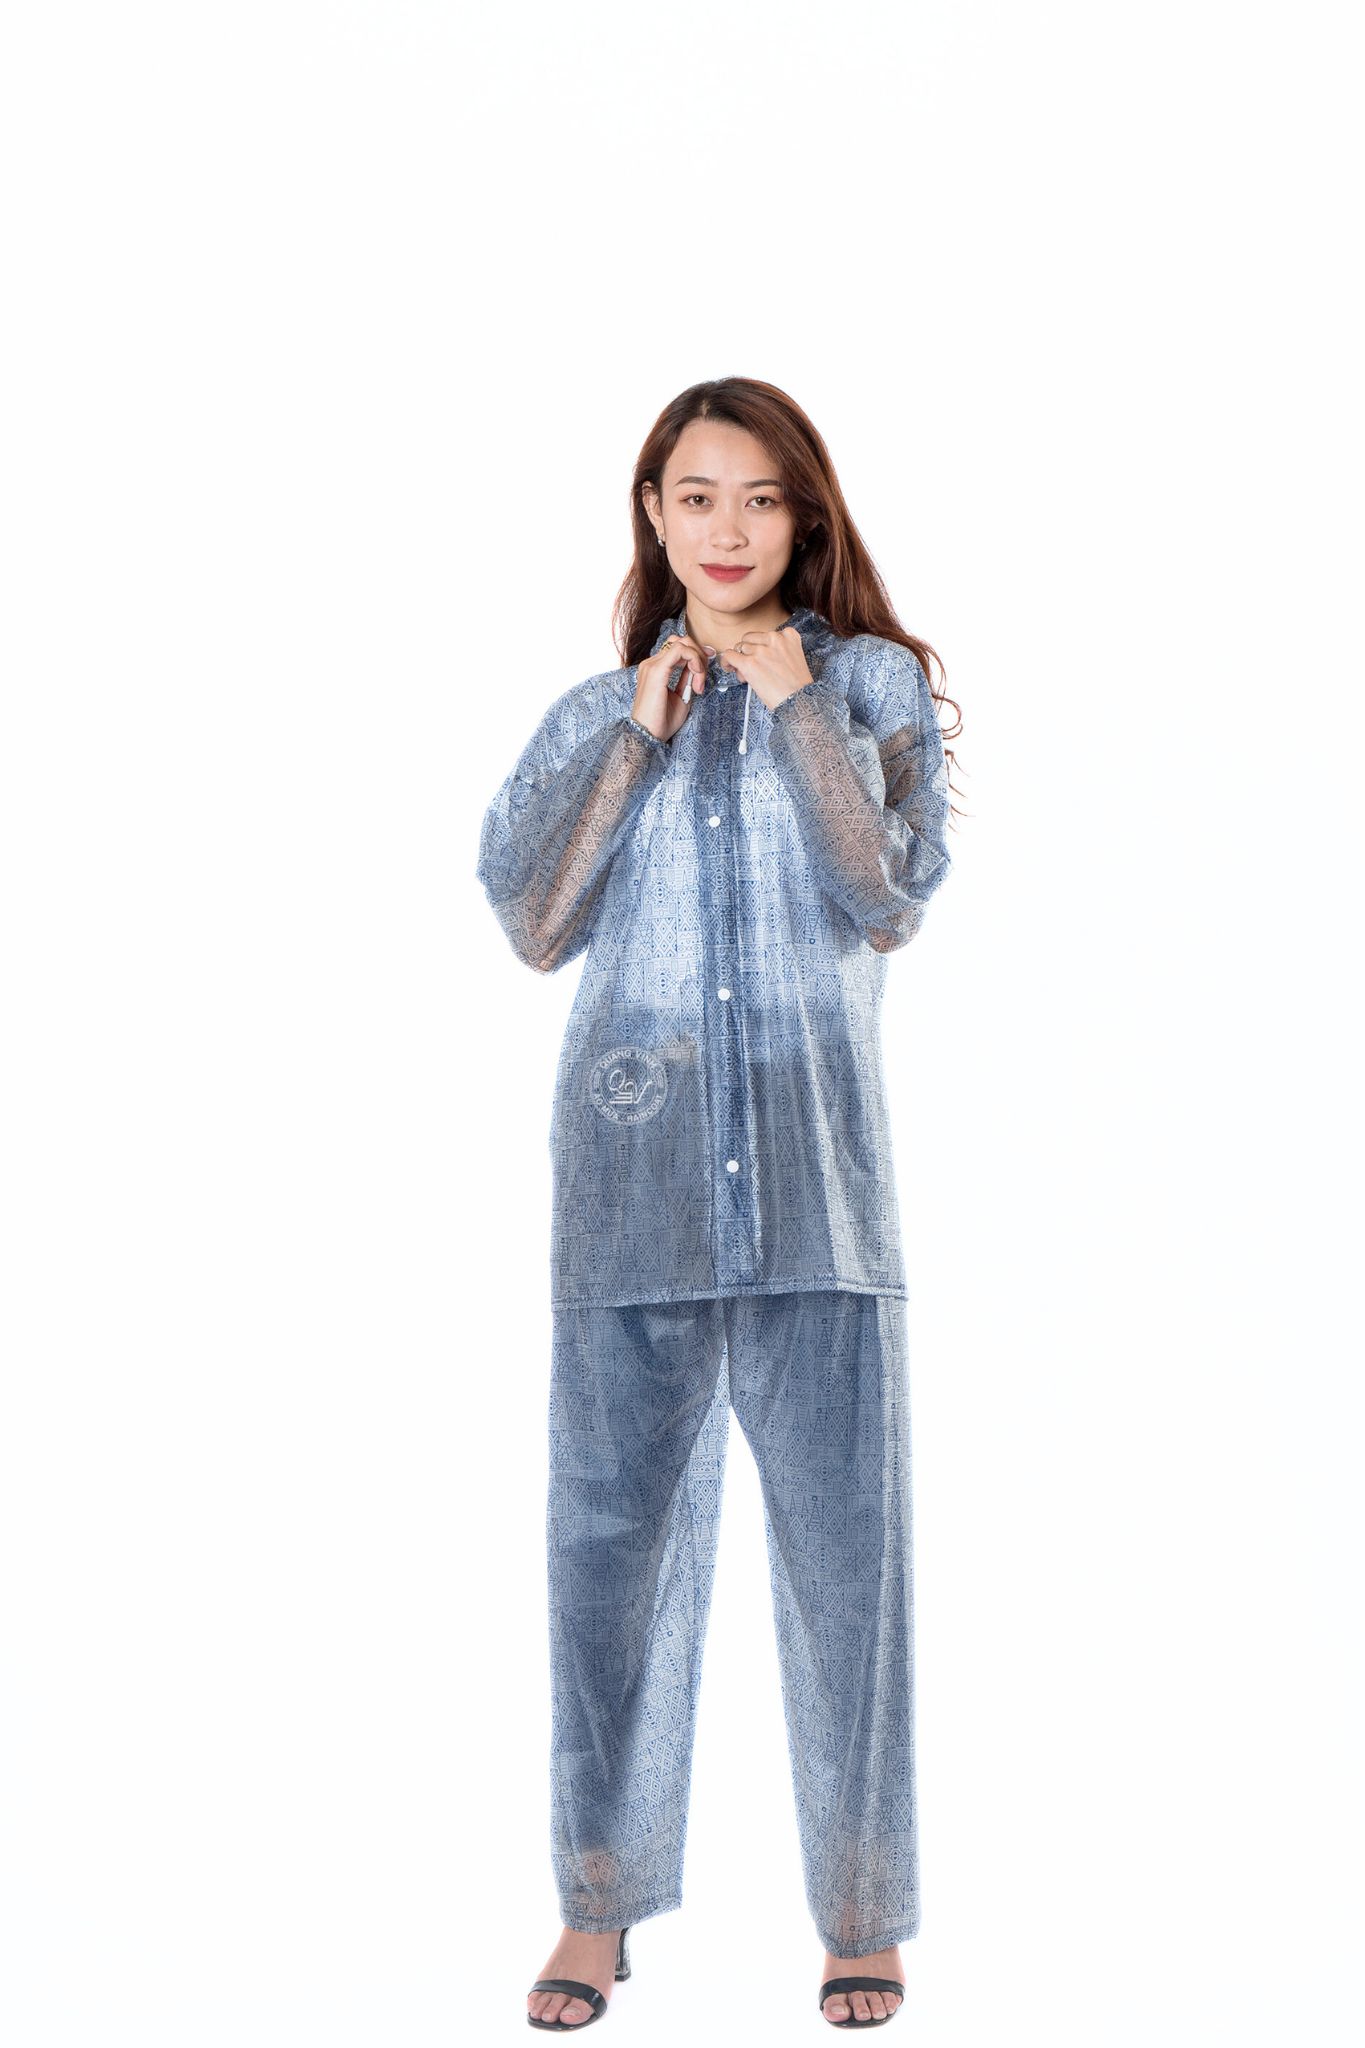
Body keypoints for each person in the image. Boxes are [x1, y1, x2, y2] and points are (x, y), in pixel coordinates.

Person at [475, 376, 961, 2030]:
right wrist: (638, 732)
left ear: (800, 515)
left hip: (822, 1201)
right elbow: (535, 923)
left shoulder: (871, 687)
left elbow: (883, 896)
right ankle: (596, 1908)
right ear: (654, 515)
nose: (727, 529)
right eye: (695, 497)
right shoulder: (595, 713)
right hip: (631, 1197)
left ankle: (861, 1915)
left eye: (757, 498)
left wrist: (797, 707)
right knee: (604, 1569)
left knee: (849, 1577)